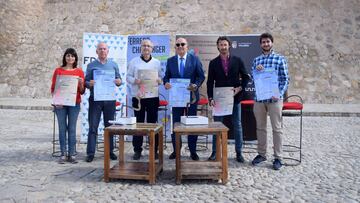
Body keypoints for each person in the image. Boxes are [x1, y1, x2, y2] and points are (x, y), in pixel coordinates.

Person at [207, 36, 250, 162]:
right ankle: (215, 152)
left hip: (234, 98)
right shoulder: (213, 63)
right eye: (221, 45)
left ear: (229, 46)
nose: (223, 47)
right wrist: (210, 97)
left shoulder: (238, 60)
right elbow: (210, 82)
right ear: (218, 47)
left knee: (237, 125)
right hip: (219, 100)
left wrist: (239, 88)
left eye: (225, 44)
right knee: (216, 126)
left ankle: (239, 153)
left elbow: (246, 77)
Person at [251, 33, 290, 170]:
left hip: (275, 98)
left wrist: (278, 94)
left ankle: (278, 157)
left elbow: (285, 79)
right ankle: (261, 154)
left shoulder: (280, 59)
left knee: (277, 128)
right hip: (260, 98)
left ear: (272, 43)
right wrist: (256, 70)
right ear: (260, 44)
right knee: (260, 127)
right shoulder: (256, 61)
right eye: (263, 42)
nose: (266, 44)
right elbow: (253, 77)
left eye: (268, 41)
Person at [163, 37, 205, 160]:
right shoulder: (170, 61)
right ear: (175, 47)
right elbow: (166, 77)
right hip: (176, 98)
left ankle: (192, 151)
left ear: (187, 46)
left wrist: (196, 85)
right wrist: (166, 83)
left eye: (183, 44)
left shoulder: (195, 59)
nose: (180, 46)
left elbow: (201, 76)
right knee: (175, 124)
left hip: (191, 97)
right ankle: (176, 151)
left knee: (192, 124)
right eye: (178, 44)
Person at [85, 42, 122, 162]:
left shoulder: (114, 65)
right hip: (95, 99)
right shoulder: (91, 65)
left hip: (109, 100)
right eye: (100, 49)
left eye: (104, 49)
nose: (102, 51)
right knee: (93, 126)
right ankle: (90, 153)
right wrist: (89, 84)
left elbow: (119, 80)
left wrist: (118, 82)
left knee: (109, 127)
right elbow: (86, 82)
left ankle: (110, 151)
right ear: (96, 51)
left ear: (108, 51)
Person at [127, 39, 162, 160]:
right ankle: (137, 150)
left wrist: (159, 80)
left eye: (148, 46)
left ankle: (154, 150)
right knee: (138, 125)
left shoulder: (157, 62)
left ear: (152, 48)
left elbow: (161, 77)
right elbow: (128, 77)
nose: (146, 48)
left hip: (152, 97)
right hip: (139, 97)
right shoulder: (134, 62)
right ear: (140, 48)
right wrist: (134, 80)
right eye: (144, 46)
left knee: (153, 124)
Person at [51, 48, 85, 164]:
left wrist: (81, 84)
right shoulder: (58, 71)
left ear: (75, 58)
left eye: (72, 56)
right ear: (65, 57)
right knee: (62, 128)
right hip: (60, 104)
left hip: (74, 104)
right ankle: (63, 153)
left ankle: (72, 153)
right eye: (68, 56)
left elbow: (82, 91)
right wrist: (56, 101)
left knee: (72, 128)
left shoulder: (79, 72)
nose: (70, 58)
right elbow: (53, 88)